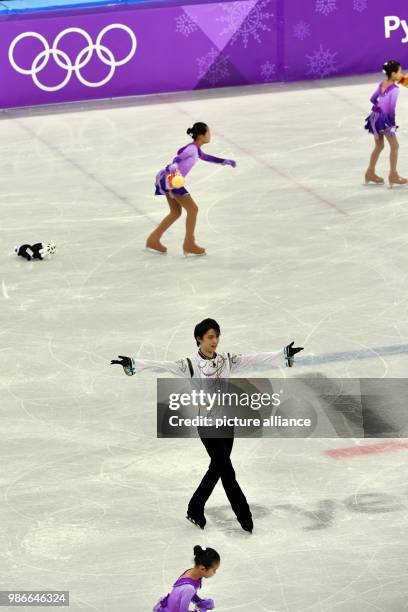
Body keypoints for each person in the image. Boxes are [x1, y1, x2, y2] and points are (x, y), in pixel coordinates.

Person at [111, 318, 303, 533]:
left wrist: (283, 354)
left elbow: (254, 359)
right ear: (199, 339)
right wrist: (133, 364)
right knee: (226, 471)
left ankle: (195, 508)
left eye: (217, 336)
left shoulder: (226, 360)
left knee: (217, 468)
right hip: (207, 425)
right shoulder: (189, 365)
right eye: (210, 337)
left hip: (227, 424)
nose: (215, 341)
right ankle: (244, 517)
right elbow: (162, 366)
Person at [146, 123, 236, 256]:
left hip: (168, 180)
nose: (210, 135)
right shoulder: (191, 149)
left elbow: (206, 157)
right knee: (193, 209)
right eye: (208, 132)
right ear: (202, 135)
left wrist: (223, 161)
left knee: (175, 212)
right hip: (172, 181)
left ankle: (153, 239)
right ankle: (189, 243)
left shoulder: (196, 149)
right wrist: (174, 165)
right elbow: (178, 157)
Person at [364, 60, 407, 186]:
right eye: (399, 72)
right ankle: (393, 175)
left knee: (379, 146)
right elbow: (390, 109)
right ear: (393, 74)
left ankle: (370, 173)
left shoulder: (382, 83)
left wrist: (378, 108)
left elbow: (373, 98)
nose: (401, 74)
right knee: (395, 146)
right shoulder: (394, 89)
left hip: (375, 117)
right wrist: (391, 125)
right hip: (385, 120)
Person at [153, 545, 218, 611]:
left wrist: (199, 601)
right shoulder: (189, 588)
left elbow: (188, 594)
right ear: (203, 569)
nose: (215, 572)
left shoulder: (191, 572)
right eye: (214, 570)